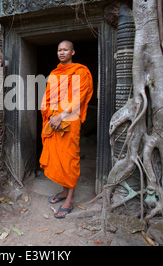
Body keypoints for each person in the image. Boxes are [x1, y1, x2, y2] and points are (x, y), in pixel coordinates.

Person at [39, 40, 93, 218]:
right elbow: (48, 98)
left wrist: (60, 116)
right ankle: (63, 192)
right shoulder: (55, 73)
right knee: (59, 157)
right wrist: (51, 116)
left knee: (70, 158)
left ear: (73, 52)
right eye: (59, 50)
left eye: (65, 50)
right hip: (54, 121)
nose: (62, 52)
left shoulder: (80, 72)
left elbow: (79, 98)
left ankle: (69, 199)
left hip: (69, 120)